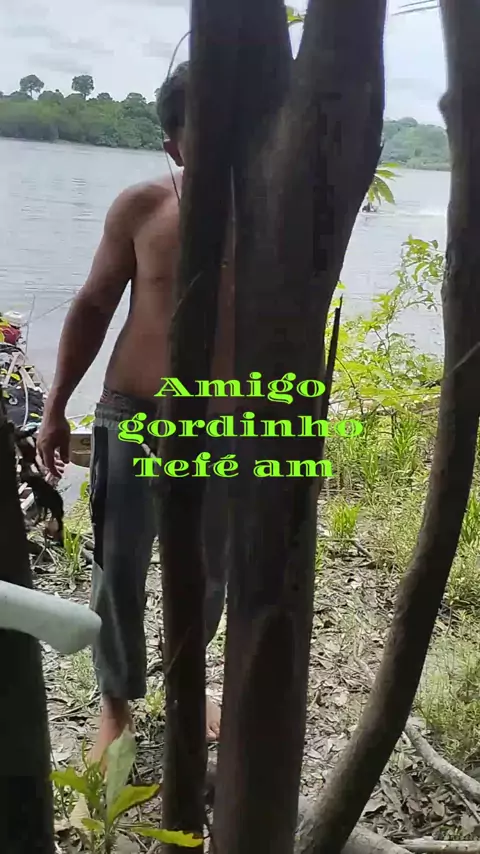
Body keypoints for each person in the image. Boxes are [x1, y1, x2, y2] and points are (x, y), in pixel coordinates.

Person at [37, 61, 232, 759]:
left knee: (211, 567)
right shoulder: (143, 207)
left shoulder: (275, 215)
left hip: (226, 423)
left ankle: (188, 681)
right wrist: (56, 408)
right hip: (134, 414)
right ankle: (115, 701)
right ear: (174, 144)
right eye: (206, 128)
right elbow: (93, 305)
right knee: (117, 564)